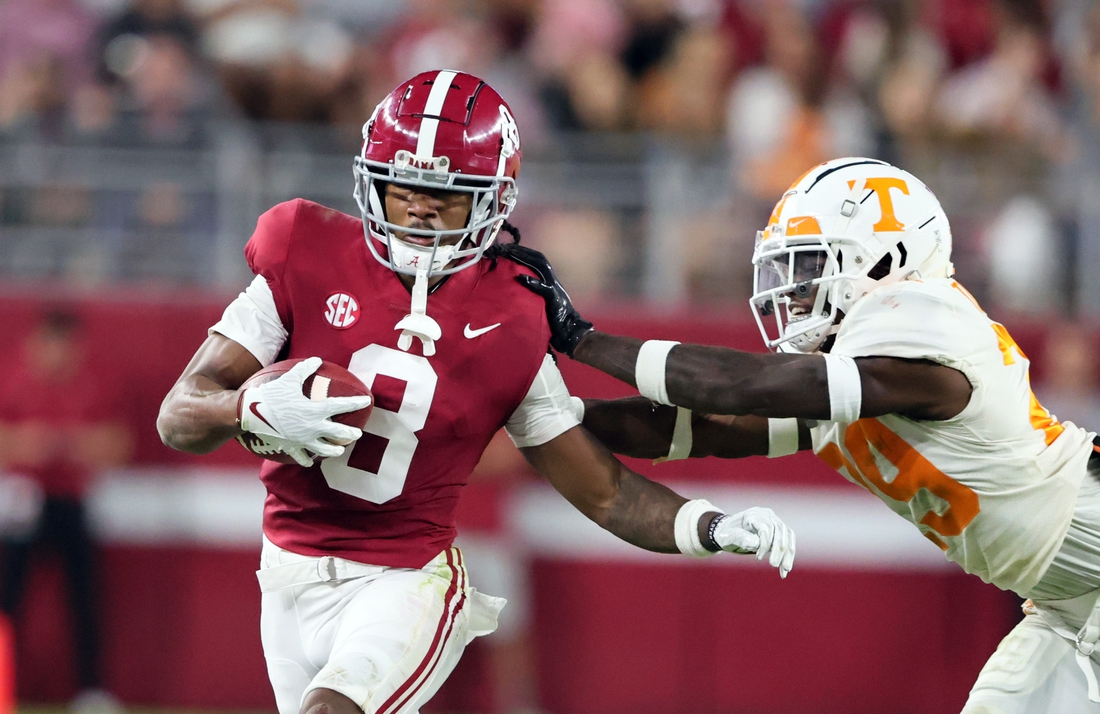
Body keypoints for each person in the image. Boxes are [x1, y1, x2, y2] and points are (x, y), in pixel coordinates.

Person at [156, 70, 796, 714]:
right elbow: (178, 415)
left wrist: (708, 526)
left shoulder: (514, 315)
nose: (422, 206)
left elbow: (605, 493)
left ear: (493, 200)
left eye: (448, 192)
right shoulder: (302, 246)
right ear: (374, 175)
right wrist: (244, 407)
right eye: (406, 181)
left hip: (405, 581)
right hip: (285, 570)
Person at [511, 156, 1100, 713]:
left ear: (888, 260)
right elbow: (694, 426)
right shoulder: (852, 373)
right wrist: (543, 410)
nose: (792, 291)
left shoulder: (925, 317)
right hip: (1064, 600)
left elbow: (744, 388)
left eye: (813, 266)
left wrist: (581, 338)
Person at [0, 309, 132, 712]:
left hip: (71, 501)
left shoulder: (94, 383)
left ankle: (91, 689)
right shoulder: (12, 380)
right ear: (36, 344)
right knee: (8, 600)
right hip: (19, 501)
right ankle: (5, 686)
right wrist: (30, 443)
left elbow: (118, 445)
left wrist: (72, 444)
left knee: (85, 600)